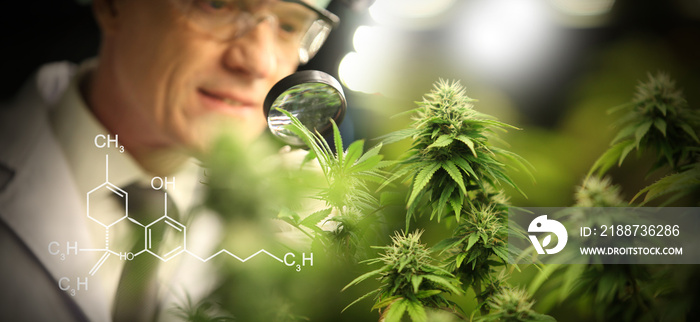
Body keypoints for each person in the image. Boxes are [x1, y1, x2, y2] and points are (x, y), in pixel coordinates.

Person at [0, 0, 338, 321]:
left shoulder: (283, 234)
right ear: (113, 5)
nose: (260, 63)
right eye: (216, 4)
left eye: (290, 26)